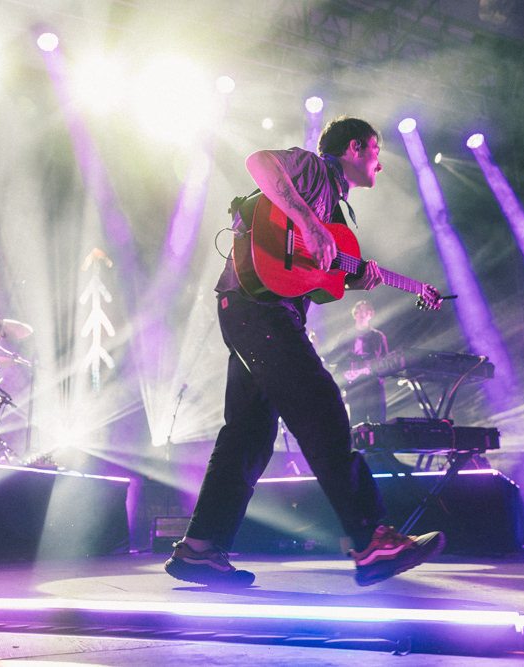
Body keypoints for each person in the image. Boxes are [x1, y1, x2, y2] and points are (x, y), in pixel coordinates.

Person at [165, 116, 444, 588]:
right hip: (260, 308)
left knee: (249, 436)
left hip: (256, 309)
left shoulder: (338, 208)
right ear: (355, 147)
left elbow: (320, 277)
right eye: (376, 150)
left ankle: (199, 550)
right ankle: (372, 539)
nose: (380, 162)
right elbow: (259, 162)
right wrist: (310, 223)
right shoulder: (316, 170)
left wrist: (360, 274)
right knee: (321, 408)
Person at [341, 300, 389, 425]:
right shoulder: (346, 336)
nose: (363, 313)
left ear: (371, 314)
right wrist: (345, 373)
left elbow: (386, 360)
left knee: (378, 422)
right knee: (356, 422)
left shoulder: (378, 336)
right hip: (354, 386)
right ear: (355, 313)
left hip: (374, 384)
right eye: (360, 310)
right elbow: (337, 360)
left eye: (367, 311)